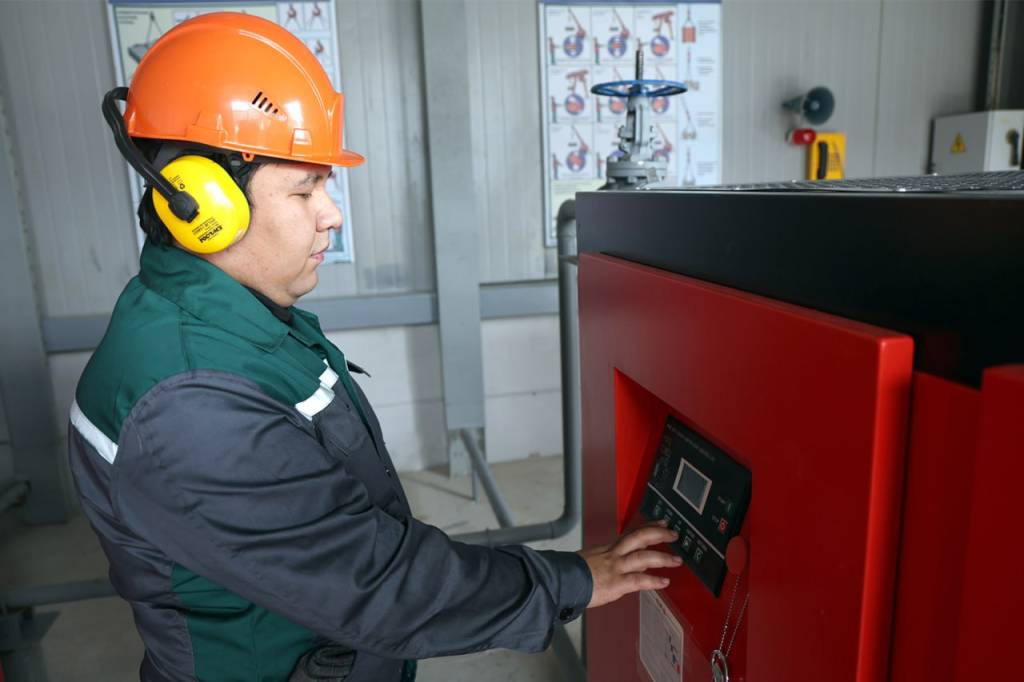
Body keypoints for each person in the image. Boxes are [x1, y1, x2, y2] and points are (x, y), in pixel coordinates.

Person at [69, 13, 680, 681]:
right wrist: (572, 580)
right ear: (201, 206)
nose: (331, 213)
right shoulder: (191, 402)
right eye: (305, 188)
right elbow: (377, 585)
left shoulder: (227, 322)